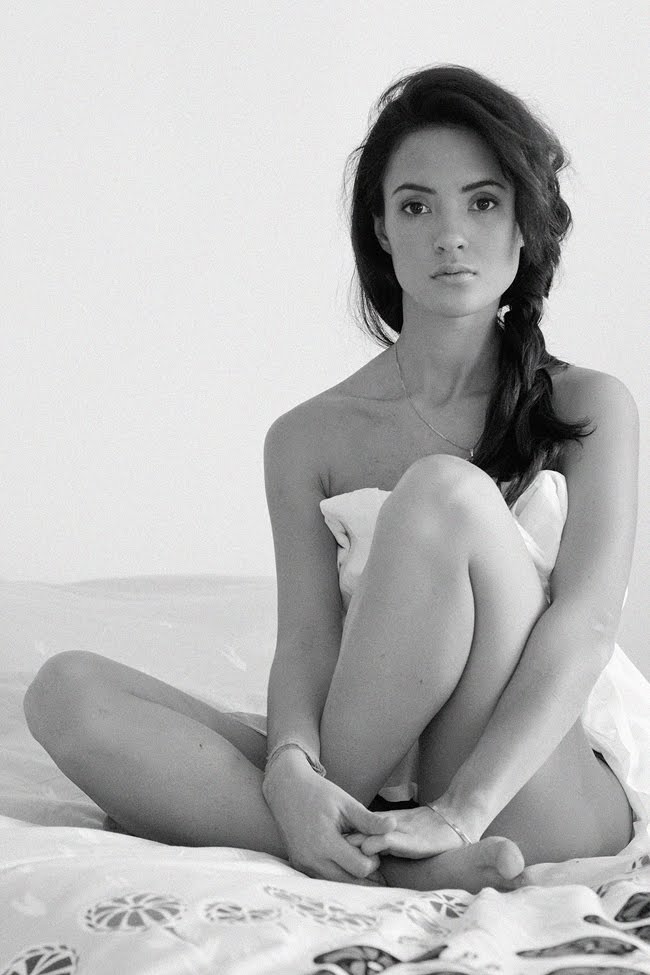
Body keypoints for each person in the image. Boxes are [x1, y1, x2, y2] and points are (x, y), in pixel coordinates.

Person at [23, 64, 640, 894]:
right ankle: (384, 857)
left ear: (525, 223)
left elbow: (585, 627)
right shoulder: (305, 437)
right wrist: (288, 765)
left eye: (483, 202)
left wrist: (462, 808)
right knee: (65, 691)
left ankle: (342, 831)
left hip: (528, 784)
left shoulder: (590, 405)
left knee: (444, 494)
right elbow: (309, 642)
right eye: (416, 206)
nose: (450, 234)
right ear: (381, 229)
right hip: (384, 776)